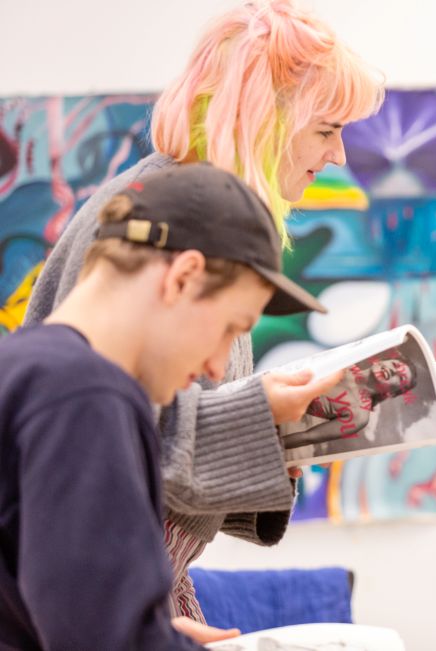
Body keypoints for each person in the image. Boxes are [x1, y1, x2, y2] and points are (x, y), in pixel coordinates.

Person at [22, 0, 384, 622]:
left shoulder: (201, 226)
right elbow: (106, 438)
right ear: (261, 119)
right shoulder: (149, 223)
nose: (339, 156)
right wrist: (258, 414)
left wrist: (284, 439)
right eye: (326, 130)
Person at [0, 164, 341, 649]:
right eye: (228, 328)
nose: (219, 366)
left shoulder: (23, 370)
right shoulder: (88, 396)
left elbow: (56, 611)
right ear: (183, 277)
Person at [279, 355, 418, 449]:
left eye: (401, 377)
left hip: (276, 407)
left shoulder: (359, 416)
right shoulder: (345, 361)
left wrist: (269, 447)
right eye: (395, 364)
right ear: (379, 361)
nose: (394, 370)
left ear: (392, 393)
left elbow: (308, 437)